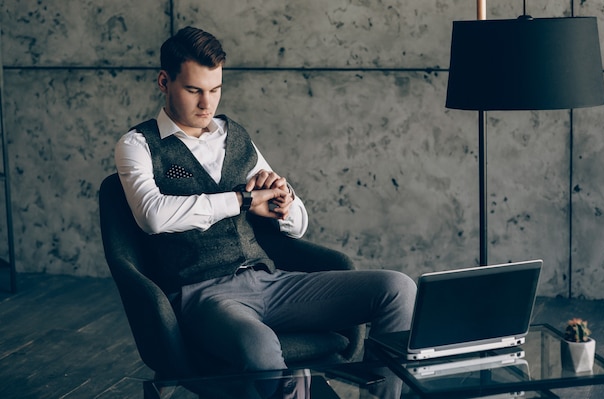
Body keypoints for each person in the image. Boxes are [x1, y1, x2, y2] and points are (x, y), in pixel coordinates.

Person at [115, 26, 417, 373]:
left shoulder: (236, 137)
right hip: (203, 295)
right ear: (164, 82)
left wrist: (282, 203)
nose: (206, 103)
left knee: (398, 289)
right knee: (257, 343)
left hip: (271, 282)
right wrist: (242, 199)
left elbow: (299, 224)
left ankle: (383, 395)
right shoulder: (138, 145)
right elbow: (152, 216)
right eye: (194, 90)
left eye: (215, 89)